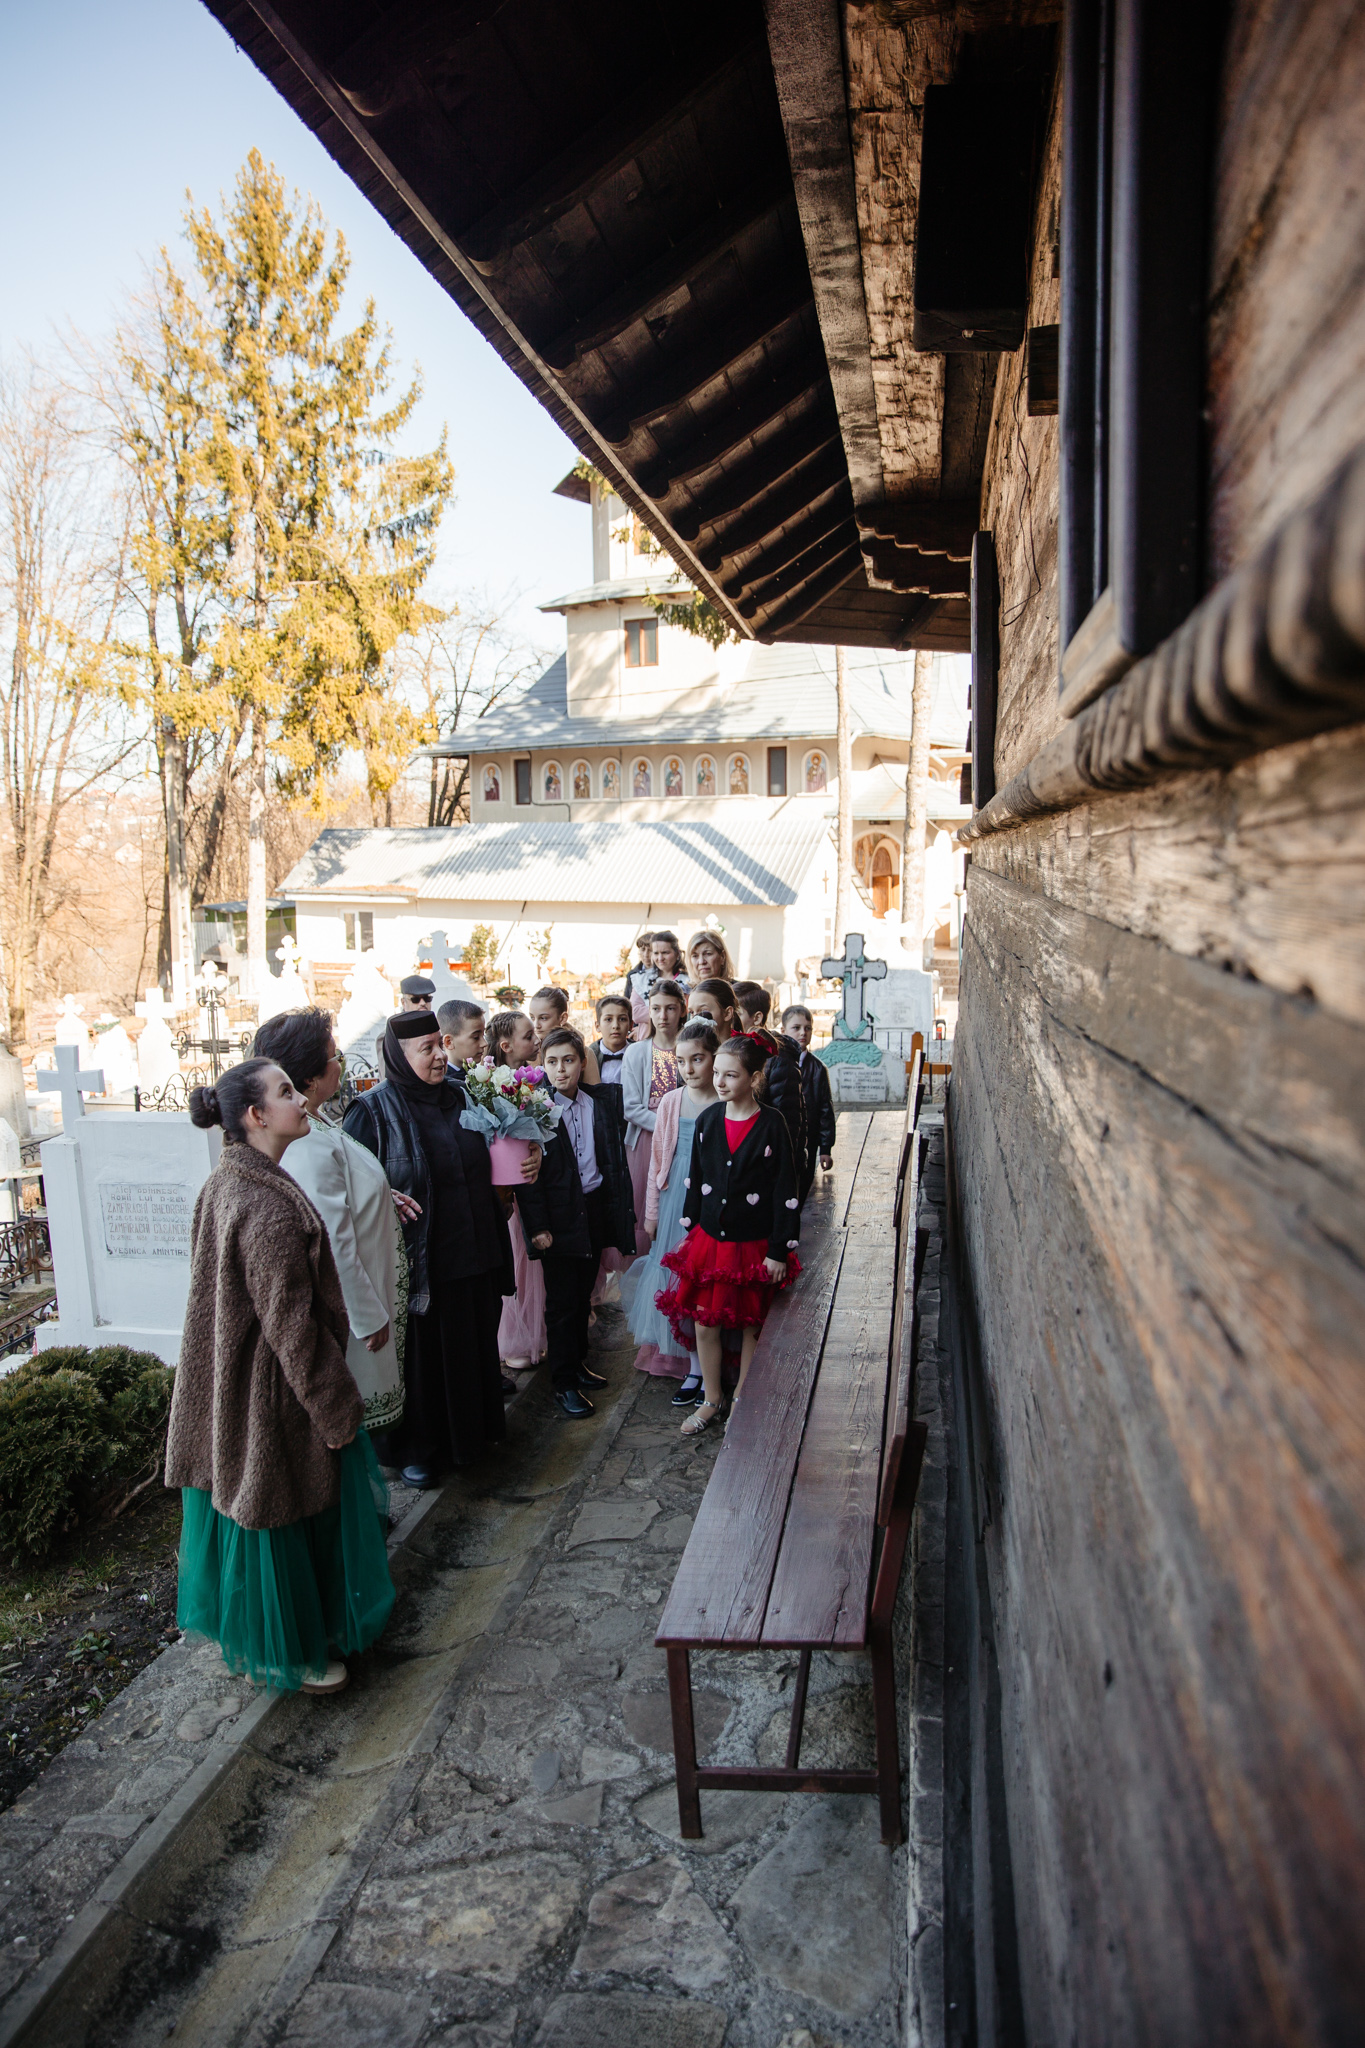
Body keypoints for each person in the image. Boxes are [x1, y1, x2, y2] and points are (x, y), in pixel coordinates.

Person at [168, 1059, 395, 1697]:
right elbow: (291, 1329)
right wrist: (334, 1408)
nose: (301, 1100)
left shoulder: (230, 1181)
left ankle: (251, 1640)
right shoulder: (264, 1208)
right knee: (282, 1516)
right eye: (286, 1092)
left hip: (233, 1384)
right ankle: (290, 1651)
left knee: (250, 1514)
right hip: (272, 1394)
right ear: (256, 1116)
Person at [343, 1011, 539, 1488]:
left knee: (471, 1346)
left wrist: (532, 1154)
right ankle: (418, 1448)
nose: (437, 1055)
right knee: (425, 1359)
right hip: (422, 1259)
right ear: (398, 1056)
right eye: (425, 1048)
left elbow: (504, 1142)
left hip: (475, 1247)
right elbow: (351, 1186)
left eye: (439, 1044)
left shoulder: (464, 1094)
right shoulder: (372, 1111)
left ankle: (471, 1437)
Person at [254, 1009, 410, 1437]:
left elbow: (345, 1184)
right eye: (334, 1055)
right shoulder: (304, 1143)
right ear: (309, 1075)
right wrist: (366, 1317)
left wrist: (379, 1196)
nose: (340, 1063)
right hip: (356, 1319)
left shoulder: (316, 1121)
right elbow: (331, 1238)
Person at [658, 1035, 801, 1437]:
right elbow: (696, 1179)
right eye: (716, 1073)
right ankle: (712, 1397)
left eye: (730, 1075)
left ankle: (742, 1397)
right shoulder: (708, 1121)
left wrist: (778, 1249)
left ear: (754, 1078)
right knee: (706, 1324)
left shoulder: (772, 1124)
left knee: (750, 1324)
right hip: (711, 1244)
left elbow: (785, 1190)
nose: (719, 1082)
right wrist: (690, 1231)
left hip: (754, 1245)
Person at [516, 1027, 635, 1419]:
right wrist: (538, 1227)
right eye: (552, 1062)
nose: (561, 1070)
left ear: (582, 1062)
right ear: (542, 1066)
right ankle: (563, 1382)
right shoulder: (536, 1110)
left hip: (594, 1208)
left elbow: (612, 1159)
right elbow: (528, 1179)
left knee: (583, 1294)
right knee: (562, 1303)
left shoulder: (598, 1102)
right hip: (560, 1216)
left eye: (568, 1060)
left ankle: (579, 1363)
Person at [622, 1018, 719, 1400]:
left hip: (712, 1199)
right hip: (676, 1195)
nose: (689, 1069)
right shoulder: (671, 1102)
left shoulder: (723, 1100)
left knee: (707, 1278)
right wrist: (652, 1213)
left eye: (698, 1059)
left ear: (714, 1058)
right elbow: (658, 1161)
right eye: (681, 1061)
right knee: (678, 1280)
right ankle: (691, 1366)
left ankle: (711, 1366)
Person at [486, 1008, 547, 1374]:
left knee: (531, 1266)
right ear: (506, 1045)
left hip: (531, 1186)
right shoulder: (487, 1085)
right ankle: (511, 1337)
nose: (536, 1040)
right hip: (505, 1191)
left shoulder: (535, 1083)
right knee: (513, 1262)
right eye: (528, 1036)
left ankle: (533, 1333)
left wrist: (538, 1148)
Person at [621, 977, 686, 1255]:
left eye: (670, 1008)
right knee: (644, 1207)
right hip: (646, 1142)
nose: (663, 1016)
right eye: (656, 1008)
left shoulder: (690, 1051)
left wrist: (679, 1128)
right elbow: (631, 1107)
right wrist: (667, 1125)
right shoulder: (636, 1052)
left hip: (683, 1140)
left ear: (682, 1009)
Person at [731, 980, 808, 1178]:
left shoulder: (778, 1058)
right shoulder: (732, 1053)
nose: (730, 1020)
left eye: (737, 1014)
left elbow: (787, 1118)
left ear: (757, 1018)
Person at [783, 1003, 836, 1200]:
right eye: (796, 1028)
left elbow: (825, 1109)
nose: (802, 1033)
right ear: (784, 1030)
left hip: (809, 1139)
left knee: (805, 1187)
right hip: (784, 1137)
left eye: (807, 1028)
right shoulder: (776, 1062)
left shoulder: (818, 1069)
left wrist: (826, 1148)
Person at [530, 985, 601, 1081]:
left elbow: (594, 1088)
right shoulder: (527, 1053)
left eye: (543, 1018)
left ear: (563, 1018)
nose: (536, 1025)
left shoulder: (585, 1053)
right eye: (532, 1017)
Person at [589, 993, 634, 1087]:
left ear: (631, 1025)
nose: (615, 1026)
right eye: (609, 1019)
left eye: (622, 1019)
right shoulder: (589, 1057)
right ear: (597, 1026)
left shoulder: (640, 1054)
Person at [438, 998, 486, 1077]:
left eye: (483, 1035)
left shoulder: (477, 1073)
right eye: (476, 1037)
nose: (484, 1043)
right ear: (449, 1042)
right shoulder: (441, 1079)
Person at [687, 977, 738, 1042]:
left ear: (728, 1013)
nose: (695, 1018)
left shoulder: (743, 1047)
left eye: (703, 1011)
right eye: (691, 1012)